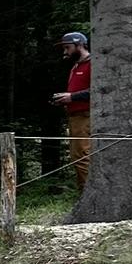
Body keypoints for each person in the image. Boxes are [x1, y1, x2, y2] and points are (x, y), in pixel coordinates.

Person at [51, 30, 92, 192]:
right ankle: (85, 193)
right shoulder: (76, 66)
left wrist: (72, 97)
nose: (65, 52)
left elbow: (98, 90)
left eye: (67, 48)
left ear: (79, 45)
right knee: (77, 156)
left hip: (86, 115)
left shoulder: (92, 63)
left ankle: (87, 194)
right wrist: (63, 100)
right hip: (75, 116)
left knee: (82, 156)